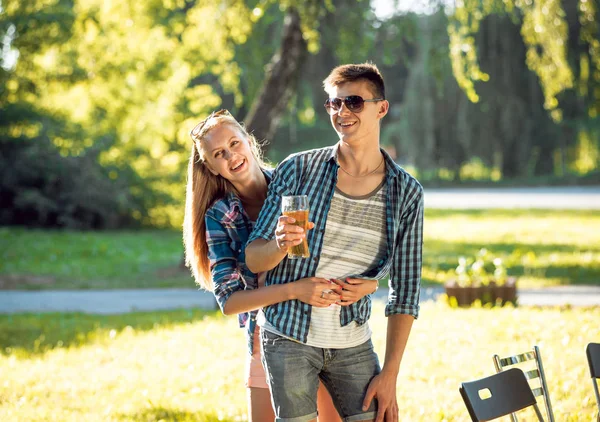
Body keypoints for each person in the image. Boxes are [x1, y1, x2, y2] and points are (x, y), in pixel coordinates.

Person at [245, 62, 424, 422]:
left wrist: (389, 375)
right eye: (334, 104)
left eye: (354, 102)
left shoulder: (405, 192)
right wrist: (279, 243)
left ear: (381, 108)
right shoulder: (298, 169)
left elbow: (405, 291)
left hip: (352, 340)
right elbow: (253, 258)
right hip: (287, 335)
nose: (342, 112)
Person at [182, 109, 378, 422]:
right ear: (211, 166)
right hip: (267, 338)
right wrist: (293, 290)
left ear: (248, 140)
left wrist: (370, 281)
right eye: (219, 154)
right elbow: (230, 302)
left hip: (324, 331)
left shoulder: (297, 185)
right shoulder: (221, 216)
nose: (232, 156)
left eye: (235, 143)